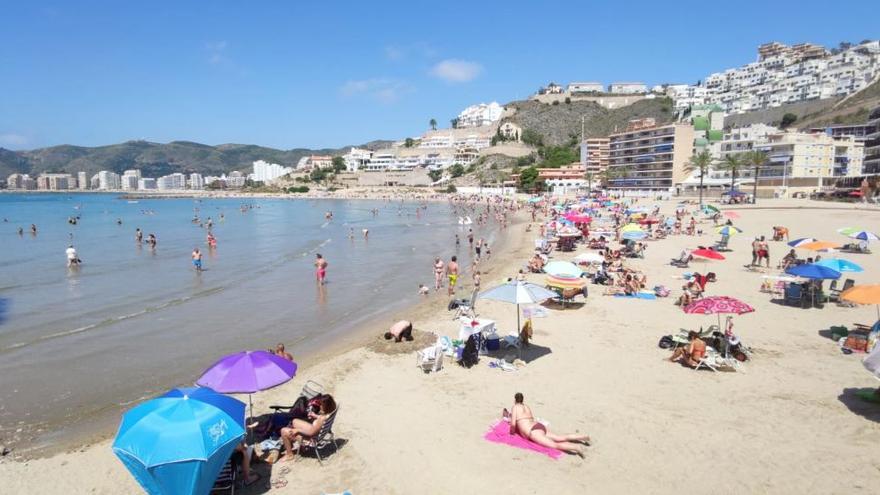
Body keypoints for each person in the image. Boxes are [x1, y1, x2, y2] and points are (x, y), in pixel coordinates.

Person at [505, 392, 589, 458]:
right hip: (538, 426)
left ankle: (576, 448)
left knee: (554, 445)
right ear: (522, 400)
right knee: (560, 437)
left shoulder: (515, 407)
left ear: (515, 400)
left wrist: (511, 433)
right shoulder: (526, 407)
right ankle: (583, 436)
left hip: (533, 432)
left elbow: (513, 424)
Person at [280, 395, 337, 462]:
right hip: (316, 432)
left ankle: (290, 454)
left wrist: (297, 430)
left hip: (311, 440)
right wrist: (315, 416)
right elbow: (321, 420)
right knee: (294, 421)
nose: (320, 406)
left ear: (326, 406)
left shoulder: (321, 419)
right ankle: (291, 442)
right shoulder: (330, 413)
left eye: (321, 405)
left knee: (283, 431)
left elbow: (311, 433)